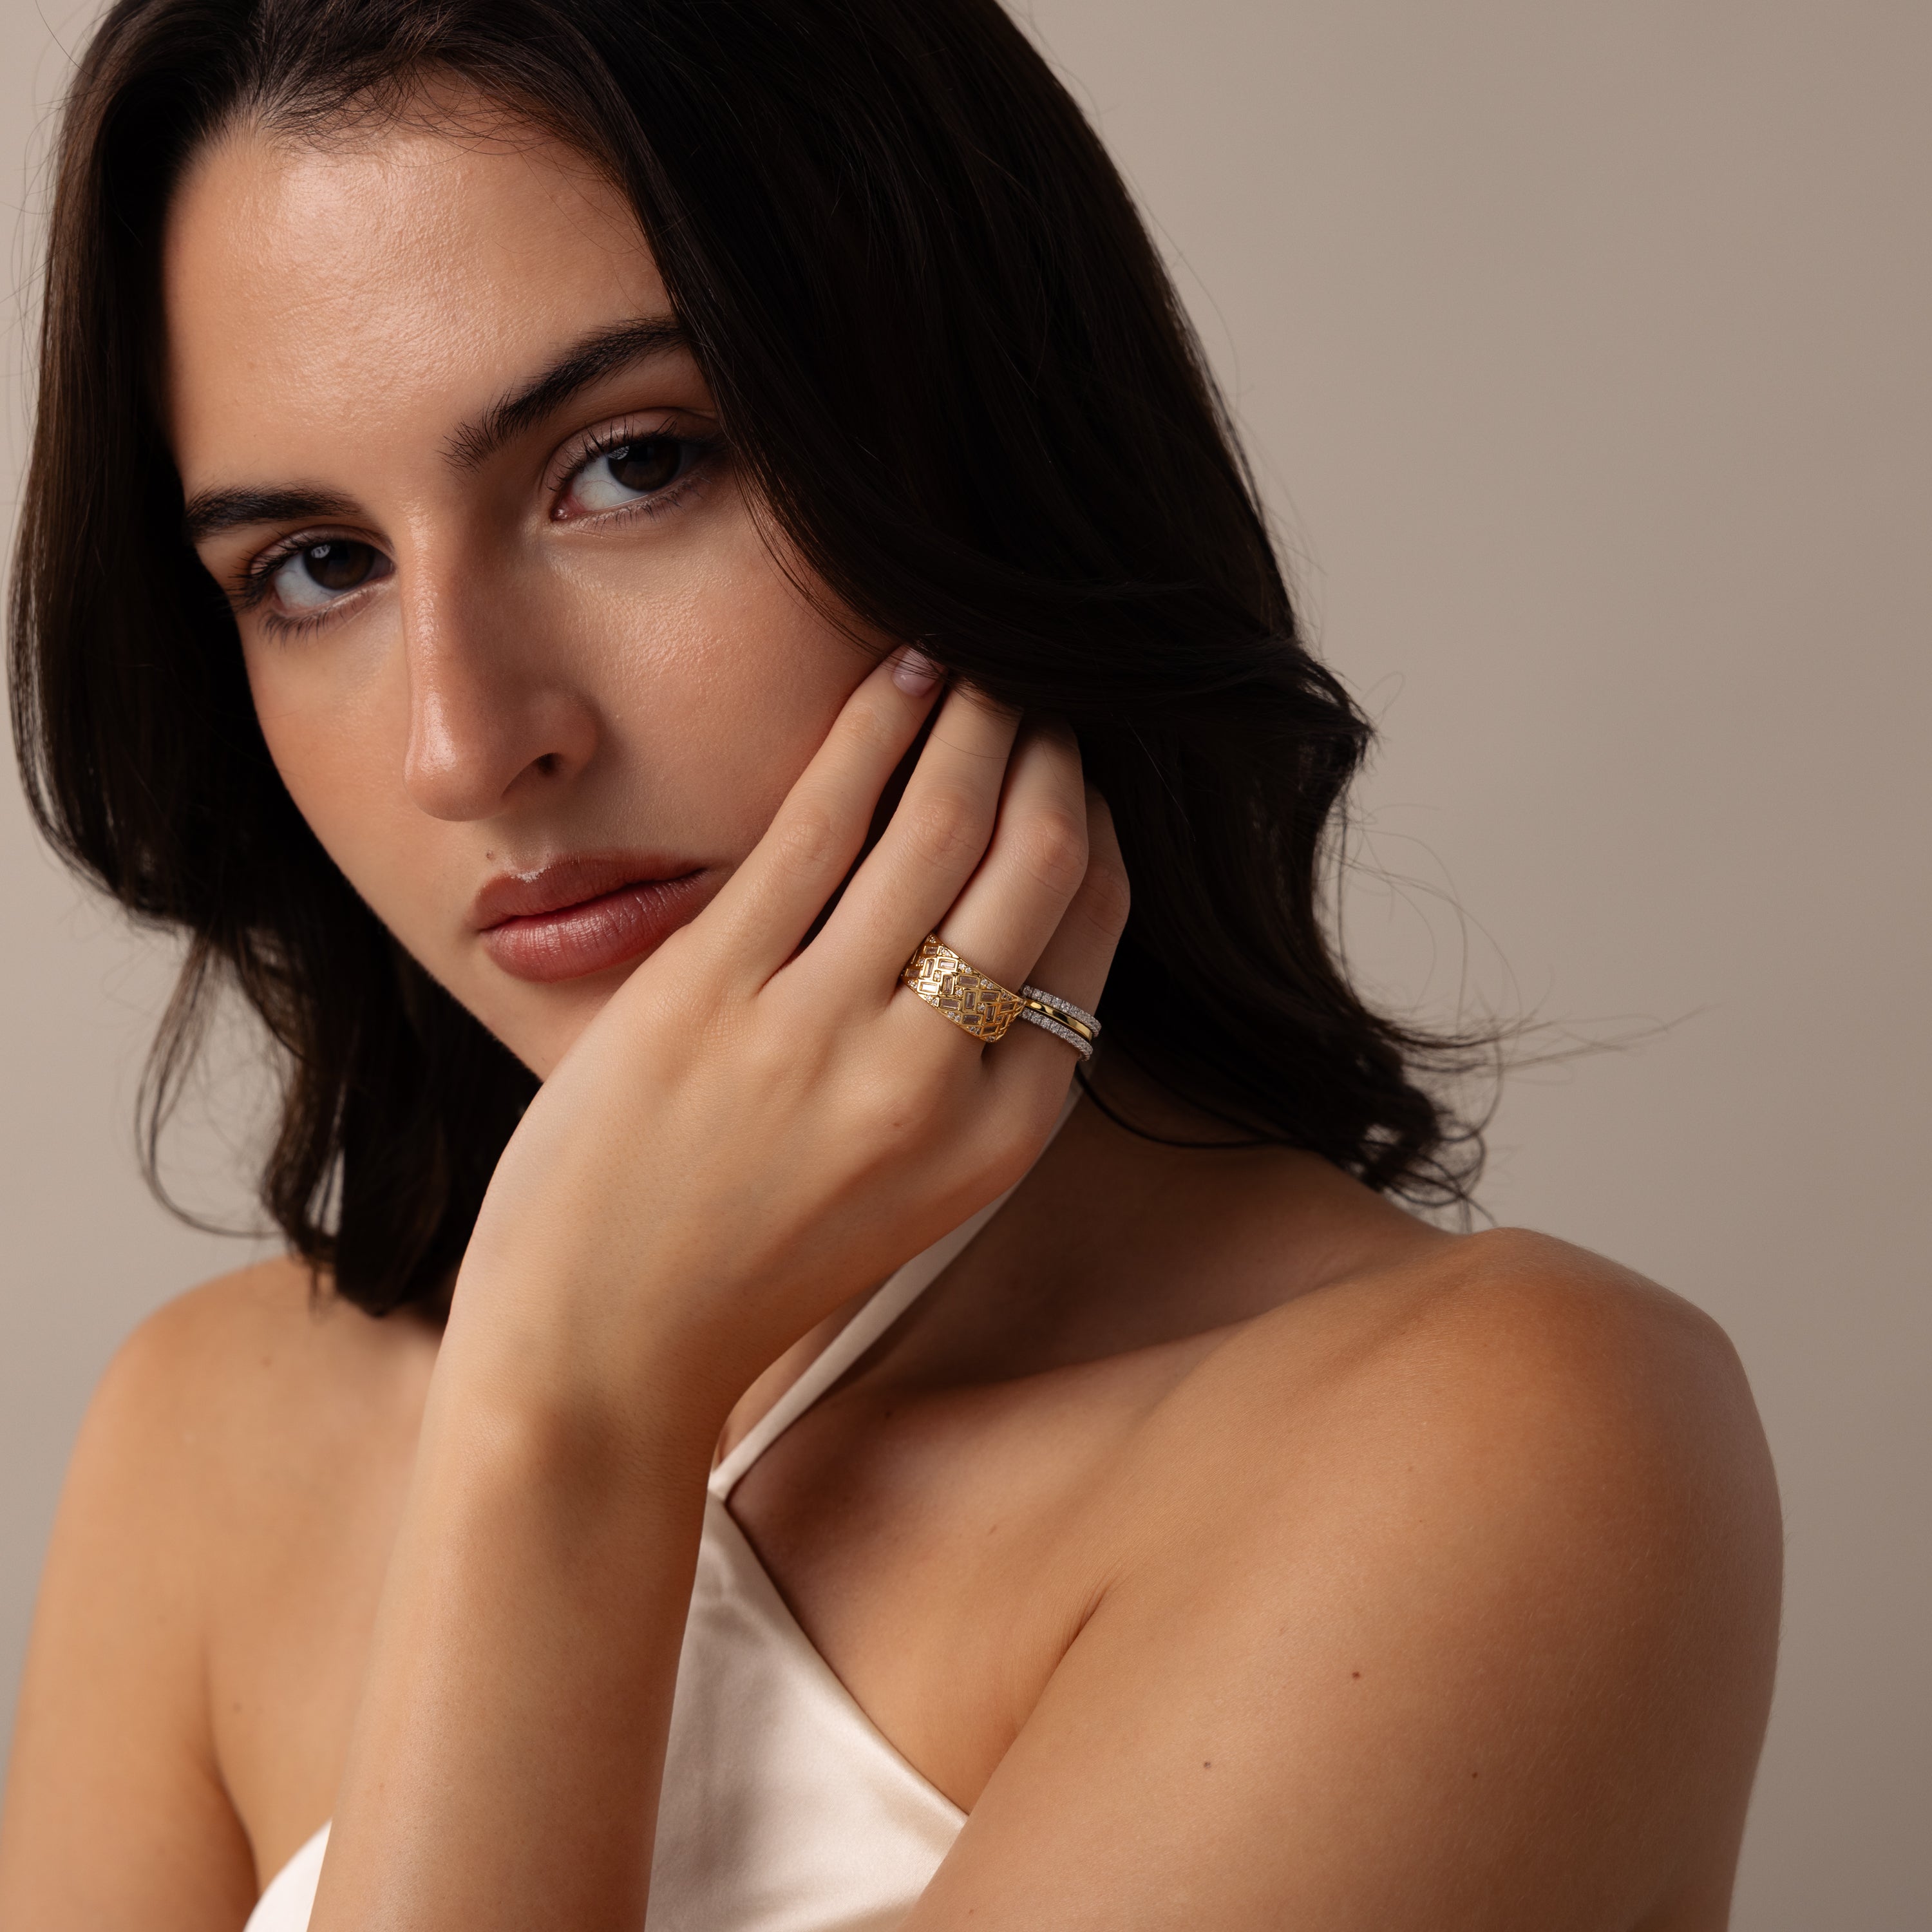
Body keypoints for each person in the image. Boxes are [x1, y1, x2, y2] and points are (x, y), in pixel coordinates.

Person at [0, 1, 1783, 1926]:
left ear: (992, 453)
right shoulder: (212, 1429)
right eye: (318, 568)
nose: (462, 741)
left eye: (632, 463)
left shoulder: (1496, 1439)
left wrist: (575, 1418)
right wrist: (564, 1380)